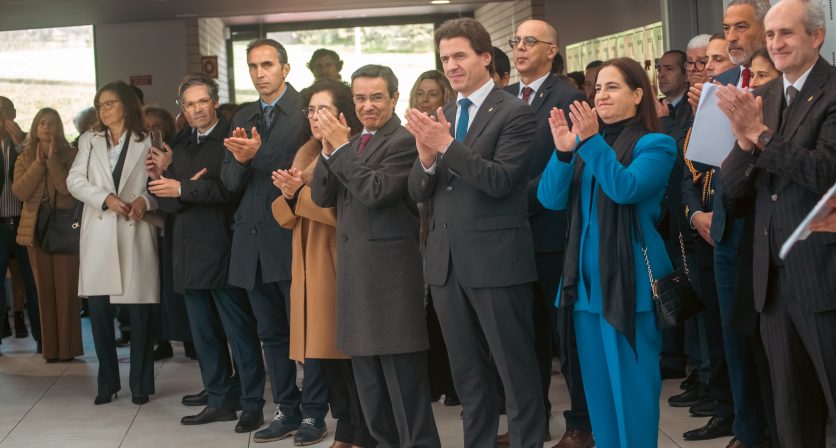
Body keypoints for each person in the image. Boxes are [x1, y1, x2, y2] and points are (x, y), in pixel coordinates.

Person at [406, 18, 543, 448]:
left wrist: (446, 147)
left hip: (497, 261)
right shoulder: (442, 115)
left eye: (460, 55)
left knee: (515, 372)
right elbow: (417, 191)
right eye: (445, 58)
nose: (452, 65)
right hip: (446, 265)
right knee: (468, 376)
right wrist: (427, 157)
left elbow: (501, 181)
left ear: (486, 57)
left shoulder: (515, 113)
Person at [537, 58, 676, 448]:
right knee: (598, 398)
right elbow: (550, 198)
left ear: (637, 94)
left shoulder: (656, 143)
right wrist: (565, 152)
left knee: (631, 396)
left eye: (612, 87)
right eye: (597, 88)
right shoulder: (584, 145)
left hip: (628, 286)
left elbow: (625, 189)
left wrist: (591, 141)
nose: (601, 95)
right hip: (583, 287)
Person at [718, 0, 836, 445]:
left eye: (786, 33)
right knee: (790, 408)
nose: (775, 44)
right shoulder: (762, 97)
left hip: (823, 276)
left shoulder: (833, 90)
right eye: (770, 35)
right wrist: (746, 146)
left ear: (816, 37)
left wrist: (761, 135)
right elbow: (733, 190)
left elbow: (824, 171)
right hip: (771, 281)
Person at [311, 64, 441, 448]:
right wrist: (326, 146)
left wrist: (342, 148)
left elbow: (375, 191)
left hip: (390, 280)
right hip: (355, 278)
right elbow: (321, 196)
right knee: (371, 390)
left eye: (376, 97)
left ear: (395, 98)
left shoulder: (402, 140)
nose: (367, 106)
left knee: (405, 388)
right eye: (360, 98)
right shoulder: (351, 142)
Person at [221, 38, 329, 440]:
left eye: (267, 64)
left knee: (308, 331)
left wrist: (256, 156)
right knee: (271, 335)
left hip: (292, 237)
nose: (260, 72)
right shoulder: (243, 114)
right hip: (250, 244)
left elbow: (302, 174)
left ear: (285, 68)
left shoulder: (306, 112)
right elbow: (230, 181)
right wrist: (240, 160)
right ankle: (286, 408)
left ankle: (314, 413)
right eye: (253, 66)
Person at [146, 73, 265, 433]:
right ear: (181, 109)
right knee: (203, 335)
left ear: (214, 102)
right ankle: (218, 397)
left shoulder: (232, 138)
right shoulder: (179, 143)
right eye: (189, 103)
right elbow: (168, 202)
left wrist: (183, 187)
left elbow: (231, 192)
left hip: (222, 248)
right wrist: (170, 182)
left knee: (238, 331)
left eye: (202, 101)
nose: (197, 108)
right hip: (186, 250)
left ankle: (251, 403)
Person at [686, 1, 777, 445]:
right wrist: (696, 210)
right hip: (725, 227)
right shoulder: (716, 85)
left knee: (770, 341)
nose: (734, 36)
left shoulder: (779, 83)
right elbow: (695, 159)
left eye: (743, 27)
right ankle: (746, 429)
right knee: (733, 337)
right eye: (727, 28)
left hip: (769, 225)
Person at [272, 78, 376, 448]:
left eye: (324, 109)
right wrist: (289, 195)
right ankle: (346, 429)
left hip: (337, 265)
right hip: (306, 266)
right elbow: (288, 218)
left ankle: (362, 433)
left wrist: (299, 195)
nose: (316, 117)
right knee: (325, 359)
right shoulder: (307, 152)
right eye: (311, 110)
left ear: (342, 113)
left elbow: (347, 214)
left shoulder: (353, 150)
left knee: (346, 360)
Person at [504, 18, 591, 448]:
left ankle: (582, 424)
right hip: (512, 237)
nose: (520, 48)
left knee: (566, 337)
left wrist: (514, 199)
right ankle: (533, 420)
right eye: (515, 41)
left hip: (552, 232)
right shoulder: (503, 97)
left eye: (530, 42)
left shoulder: (568, 96)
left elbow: (572, 160)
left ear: (552, 50)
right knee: (526, 335)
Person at [67, 81, 159, 406]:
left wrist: (144, 202)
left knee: (139, 312)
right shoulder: (89, 141)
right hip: (101, 231)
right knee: (100, 311)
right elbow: (74, 180)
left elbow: (158, 185)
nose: (104, 110)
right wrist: (104, 197)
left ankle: (141, 385)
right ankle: (107, 383)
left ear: (127, 106)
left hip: (134, 230)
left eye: (110, 103)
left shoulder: (148, 140)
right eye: (100, 104)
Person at [407, 70, 459, 408]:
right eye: (421, 93)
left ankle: (451, 384)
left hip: (441, 230)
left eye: (433, 94)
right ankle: (431, 381)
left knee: (443, 315)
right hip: (413, 231)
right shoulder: (402, 134)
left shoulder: (452, 133)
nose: (426, 100)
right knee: (422, 311)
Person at [12, 108, 82, 362]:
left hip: (64, 230)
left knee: (66, 291)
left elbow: (67, 189)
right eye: (42, 123)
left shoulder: (71, 154)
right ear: (34, 127)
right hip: (35, 230)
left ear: (59, 128)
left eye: (52, 123)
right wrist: (39, 163)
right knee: (44, 291)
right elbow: (19, 191)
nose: (46, 127)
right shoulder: (25, 157)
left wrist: (52, 161)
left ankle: (68, 348)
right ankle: (50, 349)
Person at [0, 96, 41, 356]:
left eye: (4, 112)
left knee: (33, 281)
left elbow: (39, 173)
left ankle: (42, 338)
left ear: (14, 113)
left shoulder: (29, 142)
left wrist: (19, 144)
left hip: (25, 222)